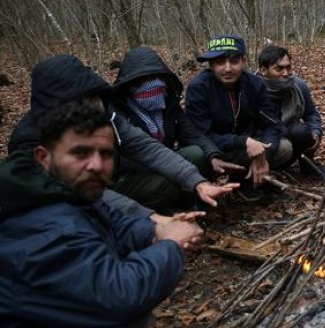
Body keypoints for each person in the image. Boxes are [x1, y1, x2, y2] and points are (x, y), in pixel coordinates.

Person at [0, 100, 204, 328]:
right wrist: (171, 244)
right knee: (119, 314)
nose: (96, 165)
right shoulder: (44, 224)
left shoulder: (58, 190)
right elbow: (119, 294)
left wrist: (157, 229)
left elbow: (115, 222)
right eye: (80, 153)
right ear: (43, 157)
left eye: (106, 154)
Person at [8, 54, 233, 216]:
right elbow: (76, 193)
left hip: (109, 187)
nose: (92, 110)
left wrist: (198, 183)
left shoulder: (107, 115)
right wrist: (151, 219)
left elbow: (149, 149)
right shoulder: (28, 142)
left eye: (95, 100)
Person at [110, 46, 242, 212]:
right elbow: (128, 157)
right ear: (130, 84)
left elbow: (192, 134)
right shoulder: (118, 113)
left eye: (158, 78)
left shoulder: (168, 104)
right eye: (144, 81)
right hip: (133, 173)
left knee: (197, 153)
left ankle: (193, 201)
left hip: (167, 162)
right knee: (161, 183)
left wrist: (212, 155)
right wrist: (166, 168)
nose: (154, 85)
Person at [186, 34, 291, 200]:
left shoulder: (255, 84)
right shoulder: (199, 88)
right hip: (214, 149)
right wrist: (242, 141)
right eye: (220, 62)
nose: (228, 68)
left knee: (284, 148)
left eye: (234, 61)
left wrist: (262, 153)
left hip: (247, 146)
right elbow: (198, 134)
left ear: (243, 61)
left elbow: (272, 123)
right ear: (211, 65)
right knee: (196, 154)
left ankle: (246, 183)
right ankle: (196, 195)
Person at [257, 44, 323, 166]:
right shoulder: (252, 90)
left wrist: (316, 132)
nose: (286, 73)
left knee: (300, 131)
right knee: (284, 147)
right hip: (262, 141)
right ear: (263, 71)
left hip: (290, 134)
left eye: (288, 68)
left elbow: (311, 113)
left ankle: (308, 167)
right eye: (279, 69)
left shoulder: (298, 85)